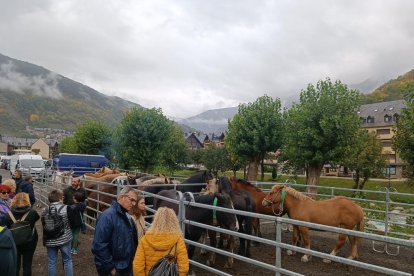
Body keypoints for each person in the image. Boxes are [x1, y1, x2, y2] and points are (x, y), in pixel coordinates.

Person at [92, 186, 138, 276]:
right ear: (122, 197)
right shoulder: (107, 216)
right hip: (114, 269)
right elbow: (99, 246)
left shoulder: (128, 217)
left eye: (135, 201)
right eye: (131, 200)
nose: (133, 204)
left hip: (126, 267)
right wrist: (111, 269)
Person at [133, 207, 189, 276]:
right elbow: (184, 268)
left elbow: (137, 267)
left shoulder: (144, 240)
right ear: (174, 221)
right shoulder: (178, 240)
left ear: (155, 220)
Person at [4, 193, 40, 276]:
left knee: (16, 265)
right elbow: (37, 218)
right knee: (27, 264)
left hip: (14, 242)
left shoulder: (8, 215)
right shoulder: (32, 213)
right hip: (29, 241)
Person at [42, 189, 73, 276]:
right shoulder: (67, 208)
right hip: (65, 238)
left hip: (50, 240)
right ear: (60, 198)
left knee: (52, 261)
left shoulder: (44, 210)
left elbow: (44, 224)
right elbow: (72, 222)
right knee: (67, 260)